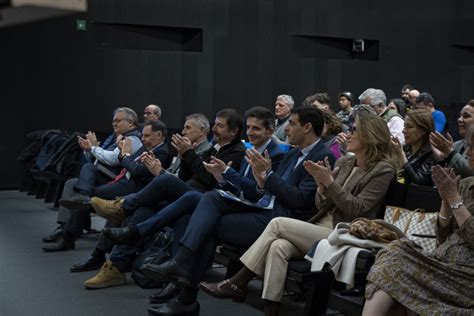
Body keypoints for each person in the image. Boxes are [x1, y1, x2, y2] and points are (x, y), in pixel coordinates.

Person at [200, 113, 399, 316]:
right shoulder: (346, 163)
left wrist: (328, 183)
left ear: (370, 135)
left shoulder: (382, 170)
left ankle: (237, 281)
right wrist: (322, 187)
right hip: (320, 225)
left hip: (345, 231)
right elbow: (322, 203)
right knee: (278, 246)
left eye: (355, 130)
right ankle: (271, 310)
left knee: (277, 224)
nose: (348, 134)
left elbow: (357, 208)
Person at [142, 107, 335, 315]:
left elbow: (301, 201)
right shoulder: (294, 153)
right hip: (265, 211)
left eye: (292, 123)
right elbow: (259, 190)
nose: (286, 128)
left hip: (284, 222)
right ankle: (182, 284)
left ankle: (184, 287)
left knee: (205, 217)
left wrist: (266, 177)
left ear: (307, 128)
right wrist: (240, 176)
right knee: (209, 203)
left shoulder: (321, 156)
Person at [68, 114, 212, 273]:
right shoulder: (178, 150)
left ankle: (114, 263)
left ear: (202, 131)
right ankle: (104, 258)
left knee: (127, 206)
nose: (183, 132)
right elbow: (178, 176)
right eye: (142, 135)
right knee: (92, 187)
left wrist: (129, 158)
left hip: (146, 189)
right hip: (148, 190)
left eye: (188, 128)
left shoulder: (186, 151)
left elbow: (137, 170)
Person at [362, 161, 474, 315]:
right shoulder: (466, 185)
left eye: (473, 147)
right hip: (440, 264)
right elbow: (441, 237)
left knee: (395, 267)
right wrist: (446, 202)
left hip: (465, 278)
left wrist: (454, 199)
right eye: (468, 145)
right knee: (396, 250)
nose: (467, 152)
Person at [42, 121, 172, 252]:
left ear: (159, 135)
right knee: (87, 173)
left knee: (87, 199)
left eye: (147, 136)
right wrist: (123, 157)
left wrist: (124, 155)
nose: (143, 138)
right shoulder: (145, 147)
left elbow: (137, 171)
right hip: (121, 180)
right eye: (143, 135)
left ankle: (68, 238)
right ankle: (82, 199)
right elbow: (130, 164)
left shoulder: (162, 153)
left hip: (133, 188)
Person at [430, 99, 474, 178]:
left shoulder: (450, 149)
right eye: (460, 116)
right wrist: (441, 160)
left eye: (466, 116)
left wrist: (450, 152)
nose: (459, 119)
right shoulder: (455, 145)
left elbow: (471, 172)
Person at [392, 109, 435, 186]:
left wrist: (401, 156)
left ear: (423, 130)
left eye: (409, 127)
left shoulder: (432, 154)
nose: (403, 131)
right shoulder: (405, 149)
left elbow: (419, 181)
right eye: (404, 126)